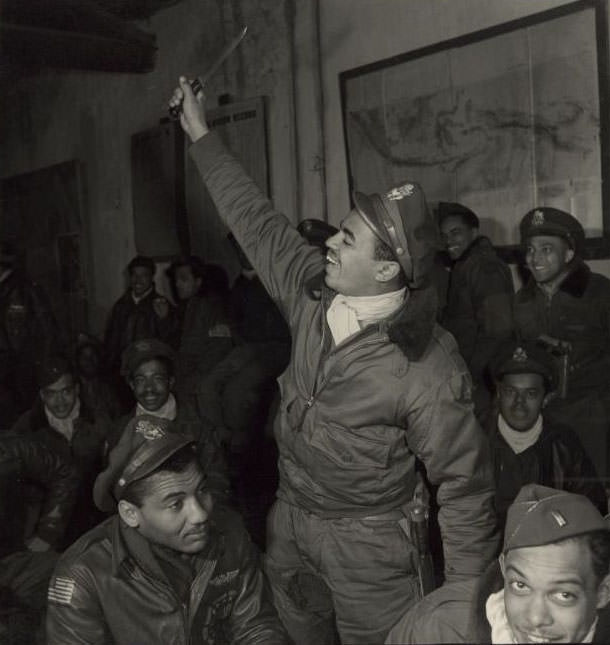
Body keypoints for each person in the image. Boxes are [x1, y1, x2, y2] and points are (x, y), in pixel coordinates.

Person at [169, 78, 498, 644]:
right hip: (291, 523)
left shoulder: (427, 365)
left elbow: (465, 490)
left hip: (369, 550)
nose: (330, 244)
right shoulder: (310, 293)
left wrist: (467, 611)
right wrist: (199, 131)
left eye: (346, 239)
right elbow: (255, 220)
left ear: (388, 269)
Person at [46, 415, 288, 645]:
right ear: (131, 514)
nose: (201, 514)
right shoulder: (83, 574)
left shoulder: (229, 533)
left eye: (202, 490)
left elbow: (255, 626)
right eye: (176, 504)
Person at [386, 484, 610, 644]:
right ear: (504, 568)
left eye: (563, 595)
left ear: (602, 592)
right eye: (520, 586)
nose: (535, 618)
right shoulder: (439, 628)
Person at [513, 207, 610, 479]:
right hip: (542, 419)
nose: (535, 259)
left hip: (592, 418)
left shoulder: (600, 293)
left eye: (546, 249)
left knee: (593, 495)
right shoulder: (522, 301)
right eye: (530, 249)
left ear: (568, 253)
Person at [487, 340, 607, 527]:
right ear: (498, 393)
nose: (519, 403)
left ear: (545, 398)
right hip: (485, 552)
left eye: (531, 394)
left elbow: (593, 513)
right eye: (511, 392)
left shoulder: (564, 445)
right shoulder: (476, 441)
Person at [107, 338, 228, 500]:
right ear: (131, 385)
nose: (149, 388)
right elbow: (113, 490)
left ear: (170, 381)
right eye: (140, 380)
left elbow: (217, 481)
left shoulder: (198, 426)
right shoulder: (120, 431)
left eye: (157, 378)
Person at [10, 355, 110, 546]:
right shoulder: (26, 429)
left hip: (96, 519)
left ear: (77, 390)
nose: (60, 401)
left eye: (66, 391)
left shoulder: (98, 420)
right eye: (51, 393)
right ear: (41, 395)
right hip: (50, 525)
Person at [1, 432, 78, 644]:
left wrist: (48, 532)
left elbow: (63, 472)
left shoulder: (12, 448)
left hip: (17, 561)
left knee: (75, 577)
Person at [438, 202, 514, 417]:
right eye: (444, 236)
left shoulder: (484, 267)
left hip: (481, 378)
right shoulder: (465, 264)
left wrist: (471, 376)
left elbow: (498, 330)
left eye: (456, 233)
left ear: (474, 232)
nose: (448, 241)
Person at [0, 241, 61, 427]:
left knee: (22, 420)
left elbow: (45, 331)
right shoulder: (9, 290)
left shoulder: (21, 291)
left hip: (19, 371)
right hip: (13, 370)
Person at [166, 256, 234, 400]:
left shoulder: (210, 307)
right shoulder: (188, 305)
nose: (177, 284)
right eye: (176, 279)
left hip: (198, 379)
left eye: (183, 279)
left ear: (198, 282)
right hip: (185, 374)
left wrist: (187, 379)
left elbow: (219, 348)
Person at [103, 255, 176, 376]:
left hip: (148, 371)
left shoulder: (162, 304)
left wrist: (164, 319)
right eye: (134, 275)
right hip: (121, 371)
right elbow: (111, 341)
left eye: (144, 275)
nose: (138, 280)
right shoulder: (121, 305)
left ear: (152, 277)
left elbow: (171, 342)